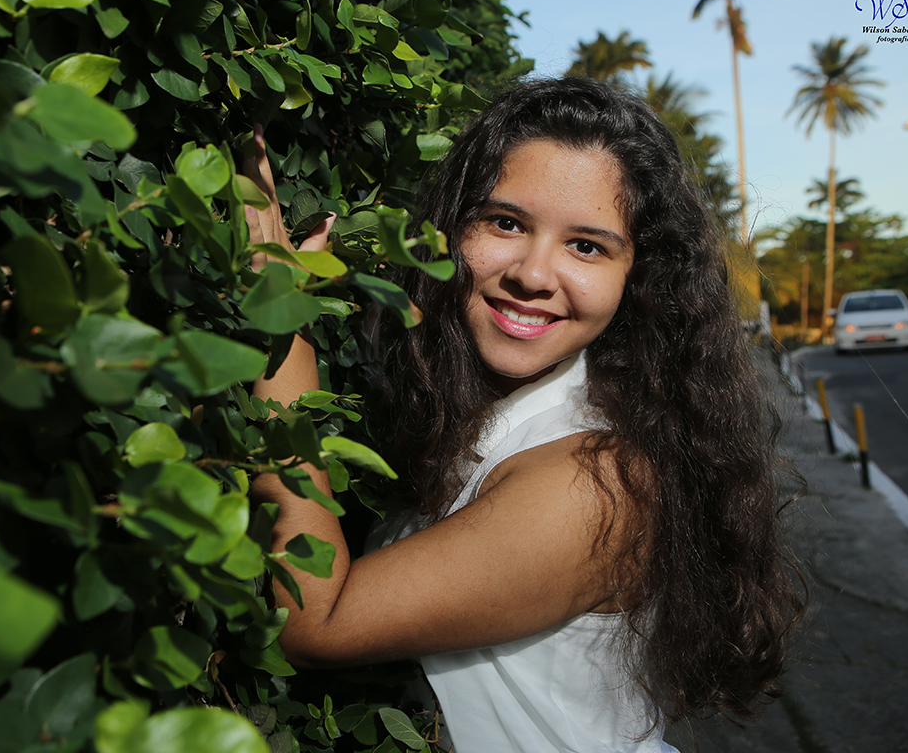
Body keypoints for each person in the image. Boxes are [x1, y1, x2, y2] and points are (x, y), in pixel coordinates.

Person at [243, 77, 804, 753]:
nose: (534, 274)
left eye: (587, 246)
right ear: (452, 231)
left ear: (637, 279)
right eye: (506, 223)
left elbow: (317, 625)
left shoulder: (594, 486)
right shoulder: (467, 407)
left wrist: (281, 315)